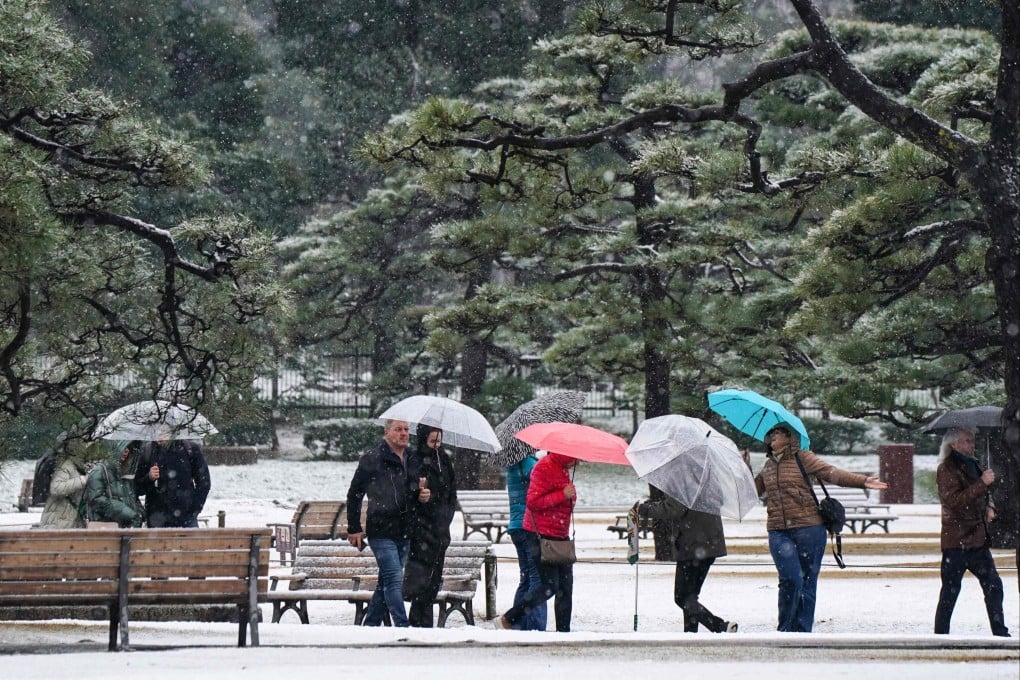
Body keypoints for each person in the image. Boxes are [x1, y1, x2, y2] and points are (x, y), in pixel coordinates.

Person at [743, 423, 887, 632]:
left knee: (807, 582)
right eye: (770, 433)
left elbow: (831, 473)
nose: (773, 435)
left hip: (809, 528)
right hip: (778, 530)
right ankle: (785, 629)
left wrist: (862, 481)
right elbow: (752, 492)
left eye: (778, 432)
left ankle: (801, 631)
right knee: (790, 579)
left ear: (790, 437)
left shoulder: (803, 457)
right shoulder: (768, 465)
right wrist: (745, 468)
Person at [346, 419, 427, 627]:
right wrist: (354, 528)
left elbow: (413, 493)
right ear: (386, 432)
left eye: (407, 430)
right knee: (393, 577)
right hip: (381, 530)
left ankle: (370, 625)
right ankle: (402, 625)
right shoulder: (372, 459)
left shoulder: (413, 459)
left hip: (406, 529)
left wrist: (423, 494)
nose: (404, 434)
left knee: (385, 583)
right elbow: (355, 494)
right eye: (398, 429)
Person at [933, 426, 1010, 637]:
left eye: (973, 440)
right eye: (967, 441)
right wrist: (981, 483)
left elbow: (982, 494)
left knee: (994, 586)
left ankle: (1000, 631)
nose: (972, 444)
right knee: (950, 592)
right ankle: (941, 635)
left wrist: (989, 505)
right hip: (957, 541)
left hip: (977, 539)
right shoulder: (947, 469)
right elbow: (954, 501)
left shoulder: (974, 464)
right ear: (954, 444)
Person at [494, 452, 577, 632]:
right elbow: (532, 502)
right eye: (574, 457)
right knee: (549, 585)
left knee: (566, 587)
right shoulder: (542, 467)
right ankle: (510, 618)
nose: (576, 461)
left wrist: (570, 497)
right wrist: (562, 495)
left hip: (560, 535)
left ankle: (564, 632)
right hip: (540, 535)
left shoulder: (562, 470)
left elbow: (566, 502)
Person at [637, 495, 737, 633]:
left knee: (682, 597)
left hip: (692, 545)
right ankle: (690, 633)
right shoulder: (708, 479)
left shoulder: (684, 480)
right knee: (690, 597)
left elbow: (673, 509)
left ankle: (720, 626)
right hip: (711, 544)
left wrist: (645, 508)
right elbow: (718, 500)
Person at [405, 424, 458, 627]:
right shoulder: (415, 459)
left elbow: (451, 492)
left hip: (440, 529)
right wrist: (420, 495)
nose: (436, 445)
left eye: (439, 441)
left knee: (434, 579)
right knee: (421, 579)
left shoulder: (443, 459)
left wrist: (444, 514)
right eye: (432, 441)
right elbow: (409, 490)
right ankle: (419, 620)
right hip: (421, 529)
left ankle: (424, 620)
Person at [504, 451, 547, 630]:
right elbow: (543, 486)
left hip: (515, 526)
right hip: (529, 526)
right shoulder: (529, 464)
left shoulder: (511, 466)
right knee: (538, 579)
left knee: (526, 578)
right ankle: (535, 626)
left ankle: (516, 622)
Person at [135, 438, 211, 528]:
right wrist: (149, 478)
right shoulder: (147, 451)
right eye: (157, 429)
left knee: (189, 541)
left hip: (186, 516)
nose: (160, 434)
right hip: (156, 518)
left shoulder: (190, 449)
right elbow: (136, 488)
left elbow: (204, 482)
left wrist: (194, 509)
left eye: (165, 429)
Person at [38, 433, 105, 529]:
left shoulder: (84, 467)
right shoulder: (67, 465)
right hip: (57, 522)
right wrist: (83, 480)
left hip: (70, 520)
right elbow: (56, 488)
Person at [84, 440, 146, 528]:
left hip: (127, 528)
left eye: (129, 448)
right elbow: (96, 500)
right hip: (107, 528)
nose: (127, 450)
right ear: (114, 447)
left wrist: (140, 513)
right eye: (123, 447)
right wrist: (127, 513)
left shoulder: (126, 472)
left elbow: (132, 497)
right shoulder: (99, 471)